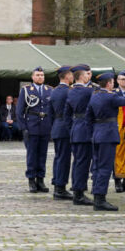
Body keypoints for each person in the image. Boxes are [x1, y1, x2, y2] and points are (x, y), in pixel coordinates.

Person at [85, 72, 125, 211]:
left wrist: (92, 134)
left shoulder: (94, 96)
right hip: (108, 135)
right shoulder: (111, 96)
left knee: (98, 166)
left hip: (97, 135)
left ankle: (96, 193)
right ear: (109, 83)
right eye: (112, 82)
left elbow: (88, 118)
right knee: (105, 168)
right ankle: (100, 199)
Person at [16, 66, 53, 194]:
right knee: (32, 155)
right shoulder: (26, 90)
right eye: (37, 75)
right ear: (32, 77)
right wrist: (23, 128)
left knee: (42, 154)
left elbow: (52, 110)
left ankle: (40, 180)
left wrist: (51, 126)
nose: (40, 77)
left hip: (45, 126)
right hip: (31, 126)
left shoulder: (49, 90)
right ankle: (31, 179)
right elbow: (19, 111)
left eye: (42, 75)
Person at [63, 64, 94, 205]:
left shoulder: (70, 91)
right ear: (82, 76)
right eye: (87, 74)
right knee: (83, 163)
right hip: (85, 130)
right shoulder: (89, 92)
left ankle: (77, 189)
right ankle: (79, 193)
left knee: (77, 162)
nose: (89, 76)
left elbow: (66, 115)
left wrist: (72, 129)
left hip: (75, 130)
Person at [50, 66, 73, 200]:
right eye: (71, 75)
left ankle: (57, 185)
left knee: (59, 158)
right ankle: (60, 188)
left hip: (57, 126)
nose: (72, 77)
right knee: (64, 159)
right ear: (67, 76)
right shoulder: (68, 91)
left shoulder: (54, 91)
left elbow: (50, 112)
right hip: (65, 127)